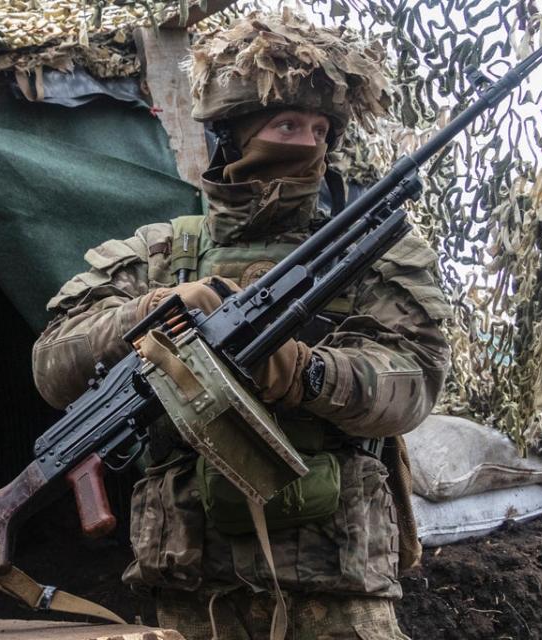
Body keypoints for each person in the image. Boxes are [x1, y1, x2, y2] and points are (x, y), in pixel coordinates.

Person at [32, 10, 451, 640]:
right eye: (285, 124)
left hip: (336, 590)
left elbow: (413, 384)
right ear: (230, 134)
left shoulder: (375, 251)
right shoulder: (158, 254)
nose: (307, 144)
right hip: (191, 589)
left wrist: (305, 373)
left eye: (320, 128)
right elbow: (52, 364)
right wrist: (152, 313)